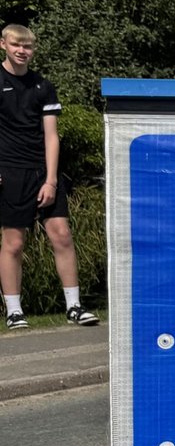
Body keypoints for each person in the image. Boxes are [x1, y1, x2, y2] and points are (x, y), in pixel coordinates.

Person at [0, 24, 98, 329]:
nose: (22, 51)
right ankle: (14, 311)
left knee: (61, 234)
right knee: (14, 242)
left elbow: (51, 136)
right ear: (3, 45)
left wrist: (51, 180)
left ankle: (74, 307)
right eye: (16, 45)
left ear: (33, 50)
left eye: (27, 46)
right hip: (10, 171)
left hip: (43, 171)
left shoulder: (43, 86)